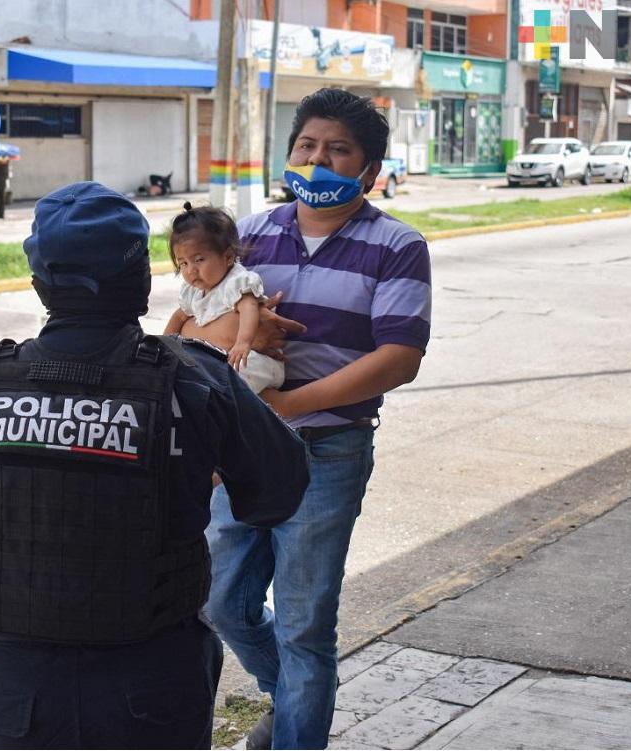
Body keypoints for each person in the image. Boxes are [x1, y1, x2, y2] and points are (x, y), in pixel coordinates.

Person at [0, 181, 310, 750]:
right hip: (151, 683)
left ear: (40, 284)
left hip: (13, 689)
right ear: (142, 282)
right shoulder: (194, 377)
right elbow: (279, 488)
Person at [205, 88, 432, 749]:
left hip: (327, 451)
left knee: (304, 624)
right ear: (288, 153)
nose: (317, 159)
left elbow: (398, 357)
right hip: (242, 448)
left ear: (367, 169)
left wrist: (287, 405)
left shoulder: (396, 245)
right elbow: (199, 323)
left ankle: (297, 732)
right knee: (218, 600)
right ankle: (289, 695)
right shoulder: (248, 235)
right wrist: (246, 328)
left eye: (337, 150)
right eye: (307, 145)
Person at [163, 201, 284, 393]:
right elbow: (179, 316)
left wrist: (243, 342)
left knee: (234, 374)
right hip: (222, 358)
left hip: (256, 359)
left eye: (199, 260)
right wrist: (165, 345)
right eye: (183, 263)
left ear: (227, 257)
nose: (191, 270)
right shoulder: (193, 290)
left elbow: (249, 308)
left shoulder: (236, 281)